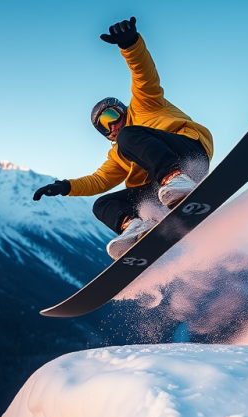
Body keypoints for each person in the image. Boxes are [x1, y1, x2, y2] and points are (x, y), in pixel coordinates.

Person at [33, 17, 214, 260]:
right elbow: (99, 180)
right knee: (101, 204)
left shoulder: (145, 106)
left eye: (111, 116)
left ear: (122, 110)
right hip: (162, 191)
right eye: (104, 127)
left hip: (188, 152)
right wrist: (66, 186)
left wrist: (130, 44)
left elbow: (143, 75)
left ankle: (176, 178)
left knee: (129, 136)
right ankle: (135, 227)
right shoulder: (119, 151)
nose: (112, 127)